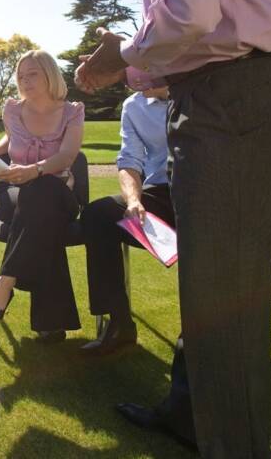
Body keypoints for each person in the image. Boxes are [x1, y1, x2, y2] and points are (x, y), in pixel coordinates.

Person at [74, 0, 271, 458]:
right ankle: (189, 417)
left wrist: (122, 57)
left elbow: (190, 13)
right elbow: (196, 31)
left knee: (223, 308)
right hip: (220, 97)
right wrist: (137, 64)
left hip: (228, 103)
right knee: (215, 296)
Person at [0, 50, 85, 341]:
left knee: (42, 192)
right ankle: (51, 322)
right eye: (21, 75)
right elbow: (6, 142)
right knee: (40, 213)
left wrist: (35, 171)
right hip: (12, 192)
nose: (25, 81)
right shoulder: (12, 109)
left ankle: (6, 280)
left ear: (49, 74)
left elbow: (66, 157)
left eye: (32, 74)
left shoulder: (72, 111)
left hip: (58, 193)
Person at [80, 86, 172, 355]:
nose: (134, 82)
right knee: (98, 215)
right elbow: (129, 160)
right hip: (160, 192)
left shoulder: (198, 90)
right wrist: (133, 200)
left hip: (205, 192)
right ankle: (119, 323)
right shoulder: (134, 106)